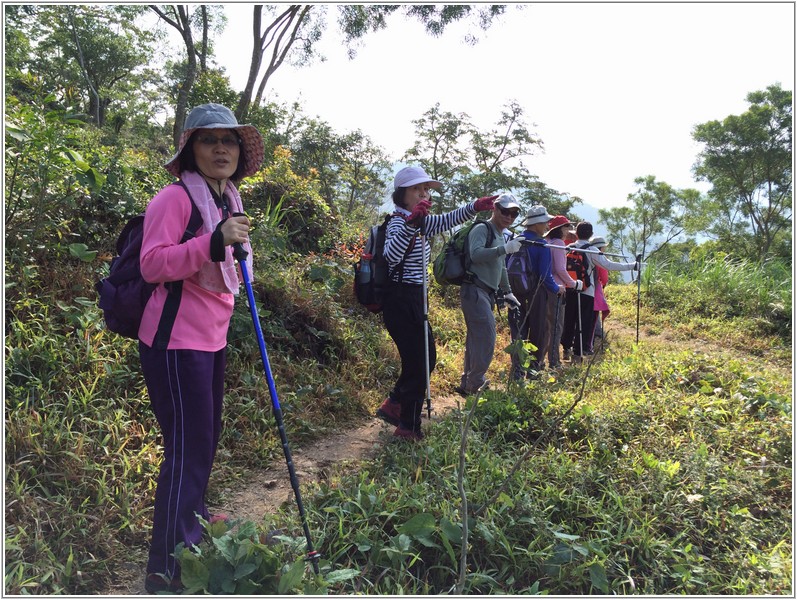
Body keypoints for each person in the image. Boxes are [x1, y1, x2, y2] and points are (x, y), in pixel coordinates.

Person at [138, 103, 264, 593]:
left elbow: (228, 269)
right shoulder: (174, 199)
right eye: (209, 140)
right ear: (191, 149)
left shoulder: (229, 200)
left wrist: (225, 244)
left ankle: (192, 525)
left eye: (229, 141)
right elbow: (153, 265)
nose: (220, 149)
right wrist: (211, 244)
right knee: (187, 451)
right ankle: (165, 570)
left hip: (212, 339)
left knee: (203, 443)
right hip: (175, 343)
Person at [375, 166, 503, 441]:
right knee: (422, 361)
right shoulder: (399, 221)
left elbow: (448, 220)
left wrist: (476, 206)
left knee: (420, 359)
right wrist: (411, 225)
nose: (423, 194)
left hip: (413, 300)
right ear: (402, 194)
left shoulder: (420, 220)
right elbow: (391, 256)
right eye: (417, 189)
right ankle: (408, 426)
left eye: (425, 189)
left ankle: (395, 404)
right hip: (400, 300)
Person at [456, 193, 523, 393]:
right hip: (474, 289)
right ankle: (476, 381)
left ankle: (468, 382)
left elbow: (500, 267)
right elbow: (476, 254)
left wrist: (508, 292)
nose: (509, 216)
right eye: (505, 211)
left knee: (476, 338)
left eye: (514, 213)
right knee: (486, 336)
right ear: (494, 209)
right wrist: (503, 249)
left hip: (487, 293)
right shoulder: (482, 229)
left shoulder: (500, 234)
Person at [561, 222, 637, 362]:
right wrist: (632, 266)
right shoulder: (592, 250)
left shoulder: (568, 248)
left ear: (576, 233)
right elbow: (609, 265)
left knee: (569, 320)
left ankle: (566, 349)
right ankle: (578, 354)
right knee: (583, 323)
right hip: (586, 291)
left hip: (569, 289)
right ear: (590, 235)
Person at [508, 206, 564, 378]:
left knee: (518, 330)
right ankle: (533, 371)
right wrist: (557, 289)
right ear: (537, 223)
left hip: (514, 293)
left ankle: (517, 372)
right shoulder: (541, 245)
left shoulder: (515, 240)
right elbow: (545, 276)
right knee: (538, 332)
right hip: (536, 294)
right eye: (545, 222)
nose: (548, 225)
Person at [544, 215, 581, 369]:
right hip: (557, 289)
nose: (568, 231)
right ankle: (554, 362)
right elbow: (560, 269)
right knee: (556, 326)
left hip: (545, 287)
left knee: (547, 326)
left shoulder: (547, 242)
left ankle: (545, 360)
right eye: (566, 227)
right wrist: (573, 283)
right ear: (559, 229)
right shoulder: (558, 243)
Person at [587, 236, 611, 351]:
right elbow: (604, 277)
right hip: (594, 288)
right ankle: (596, 335)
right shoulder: (600, 258)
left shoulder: (586, 254)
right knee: (594, 313)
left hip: (582, 289)